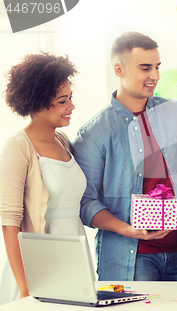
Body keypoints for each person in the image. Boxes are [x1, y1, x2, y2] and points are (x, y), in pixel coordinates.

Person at [72, 32, 177, 281]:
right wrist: (129, 230)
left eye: (157, 67)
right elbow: (86, 204)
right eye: (145, 68)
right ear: (119, 69)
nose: (155, 76)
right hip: (131, 259)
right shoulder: (94, 133)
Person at [0, 53, 84, 303]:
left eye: (71, 98)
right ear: (37, 102)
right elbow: (9, 224)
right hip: (39, 267)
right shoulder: (18, 147)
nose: (71, 106)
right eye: (62, 101)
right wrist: (26, 290)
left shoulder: (63, 141)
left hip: (75, 258)